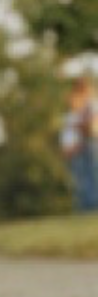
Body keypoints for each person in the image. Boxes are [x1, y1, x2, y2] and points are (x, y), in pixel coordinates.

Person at [60, 77, 98, 213]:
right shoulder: (71, 114)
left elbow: (91, 128)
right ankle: (85, 209)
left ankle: (92, 208)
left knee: (91, 179)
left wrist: (80, 127)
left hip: (86, 146)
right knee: (80, 182)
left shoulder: (92, 105)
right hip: (75, 151)